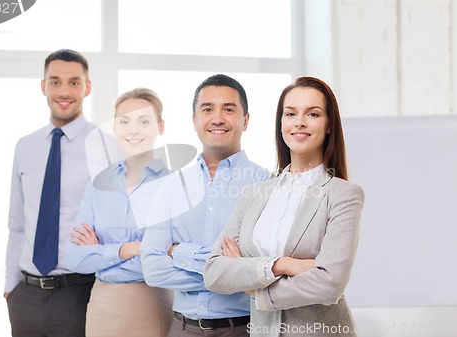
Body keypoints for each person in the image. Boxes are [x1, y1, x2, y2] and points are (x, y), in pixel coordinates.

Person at [203, 76, 365, 337]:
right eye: (290, 113)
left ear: (328, 126)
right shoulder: (254, 194)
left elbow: (329, 283)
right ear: (281, 124)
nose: (299, 121)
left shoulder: (343, 195)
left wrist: (254, 286)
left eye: (312, 114)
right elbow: (214, 272)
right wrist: (281, 265)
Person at [140, 74, 269, 337]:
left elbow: (264, 270)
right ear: (195, 120)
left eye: (229, 109)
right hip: (181, 329)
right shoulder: (171, 186)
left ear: (245, 120)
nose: (218, 118)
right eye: (208, 109)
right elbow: (152, 269)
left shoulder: (268, 184)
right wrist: (228, 271)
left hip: (244, 329)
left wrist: (179, 252)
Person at [65, 88, 172, 337]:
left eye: (144, 121)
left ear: (160, 126)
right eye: (124, 121)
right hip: (101, 306)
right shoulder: (97, 185)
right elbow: (74, 257)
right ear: (115, 127)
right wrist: (129, 249)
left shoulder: (175, 186)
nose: (133, 130)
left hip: (150, 305)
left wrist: (100, 253)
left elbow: (163, 262)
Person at [5, 49, 96, 336]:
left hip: (80, 291)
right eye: (55, 82)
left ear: (87, 87)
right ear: (44, 86)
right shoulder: (25, 146)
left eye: (73, 82)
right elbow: (17, 224)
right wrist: (10, 286)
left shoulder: (104, 148)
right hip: (26, 295)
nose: (64, 91)